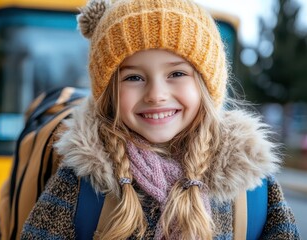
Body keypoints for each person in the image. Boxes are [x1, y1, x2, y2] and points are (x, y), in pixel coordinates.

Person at [20, 0, 300, 239]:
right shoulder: (81, 181)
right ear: (109, 95)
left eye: (176, 74)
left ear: (206, 85)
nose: (156, 95)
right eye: (133, 77)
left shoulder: (250, 184)